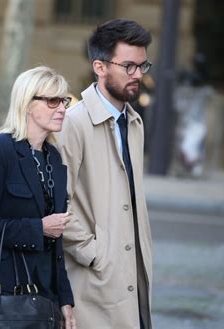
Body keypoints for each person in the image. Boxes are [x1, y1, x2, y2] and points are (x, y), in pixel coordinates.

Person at [0, 66, 76, 328]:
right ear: (27, 103)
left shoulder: (53, 158)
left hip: (42, 291)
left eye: (64, 101)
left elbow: (55, 244)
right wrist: (39, 228)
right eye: (52, 101)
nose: (62, 108)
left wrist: (65, 300)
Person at [57, 19, 153, 329]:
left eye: (142, 66)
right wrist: (94, 253)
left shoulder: (134, 123)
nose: (137, 75)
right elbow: (56, 202)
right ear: (99, 67)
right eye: (128, 66)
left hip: (132, 276)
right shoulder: (73, 122)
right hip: (93, 283)